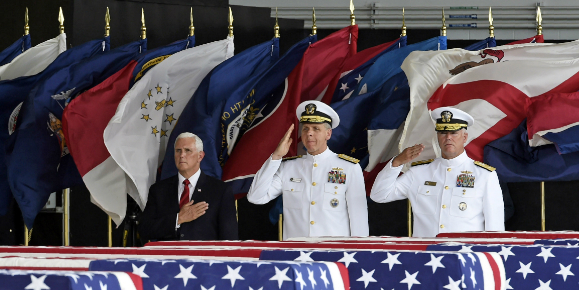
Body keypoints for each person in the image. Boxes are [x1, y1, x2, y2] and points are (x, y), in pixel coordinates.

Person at [370, 107, 504, 237]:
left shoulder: (484, 175)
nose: (448, 137)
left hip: (464, 251)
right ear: (437, 136)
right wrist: (397, 162)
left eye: (454, 132)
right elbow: (379, 195)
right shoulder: (418, 173)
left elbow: (495, 228)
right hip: (426, 251)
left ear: (464, 137)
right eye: (443, 133)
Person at [247, 100, 368, 239]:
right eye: (305, 128)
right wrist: (276, 157)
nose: (309, 133)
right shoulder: (288, 167)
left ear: (328, 134)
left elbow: (359, 219)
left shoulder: (349, 168)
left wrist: (358, 249)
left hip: (333, 250)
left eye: (316, 128)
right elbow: (255, 197)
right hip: (296, 250)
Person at [140, 132, 239, 242]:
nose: (182, 155)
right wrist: (178, 219)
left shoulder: (220, 190)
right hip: (169, 253)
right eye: (178, 151)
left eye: (188, 150)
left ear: (200, 156)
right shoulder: (158, 190)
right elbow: (145, 230)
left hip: (204, 253)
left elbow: (229, 238)